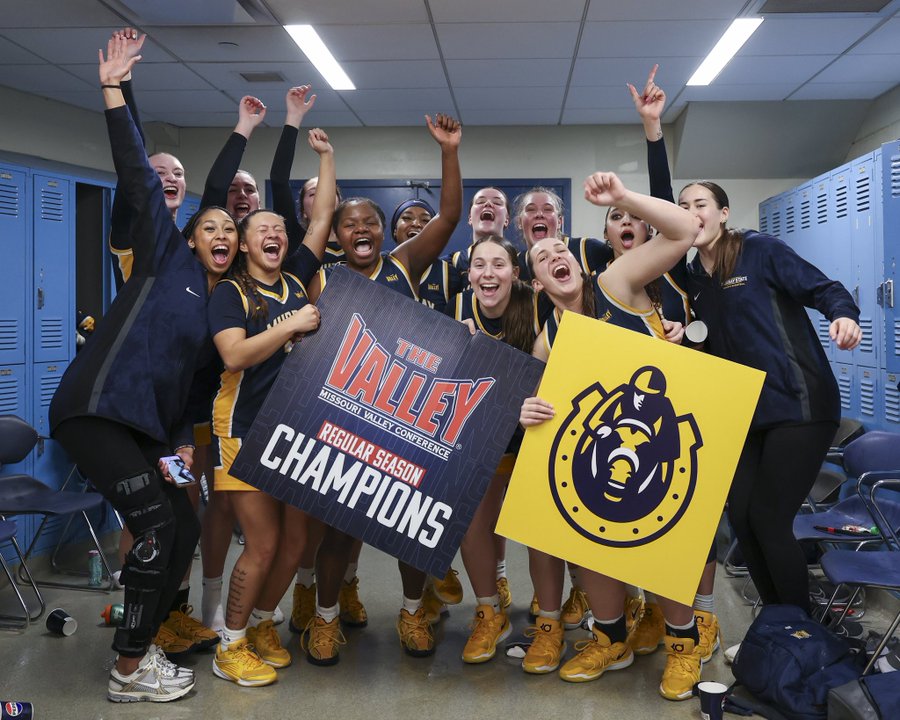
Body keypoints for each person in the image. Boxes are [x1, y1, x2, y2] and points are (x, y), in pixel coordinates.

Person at [49, 35, 238, 702]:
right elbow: (135, 172)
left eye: (230, 232)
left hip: (147, 431)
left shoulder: (219, 306)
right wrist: (114, 91)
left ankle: (148, 644)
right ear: (189, 235)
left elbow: (191, 390)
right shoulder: (162, 255)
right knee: (156, 527)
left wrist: (184, 444)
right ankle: (128, 669)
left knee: (182, 521)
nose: (220, 236)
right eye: (209, 227)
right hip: (96, 411)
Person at [520, 171, 706, 700]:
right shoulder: (546, 340)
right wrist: (526, 409)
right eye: (541, 256)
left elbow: (684, 232)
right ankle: (611, 636)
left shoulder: (614, 286)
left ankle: (683, 642)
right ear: (539, 282)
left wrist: (624, 199)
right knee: (591, 542)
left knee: (664, 541)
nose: (555, 257)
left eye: (563, 249)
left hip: (661, 441)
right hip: (604, 453)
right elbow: (539, 408)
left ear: (579, 262)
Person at [302, 112, 462, 665]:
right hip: (345, 417)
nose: (362, 228)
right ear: (337, 235)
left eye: (370, 220)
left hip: (406, 415)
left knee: (409, 528)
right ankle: (324, 620)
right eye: (350, 223)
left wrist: (448, 151)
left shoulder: (403, 263)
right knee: (339, 532)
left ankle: (414, 610)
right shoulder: (321, 276)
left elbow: (450, 215)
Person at [680, 179, 861, 616]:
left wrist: (843, 316)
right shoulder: (690, 278)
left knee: (769, 519)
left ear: (723, 212)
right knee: (742, 519)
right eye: (682, 206)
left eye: (700, 203)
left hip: (799, 404)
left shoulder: (759, 250)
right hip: (744, 414)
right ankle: (775, 622)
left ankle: (799, 631)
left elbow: (824, 288)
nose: (691, 212)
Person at [209, 125, 334, 687]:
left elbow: (324, 217)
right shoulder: (230, 293)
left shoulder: (296, 278)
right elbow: (234, 355)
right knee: (260, 545)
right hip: (243, 432)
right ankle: (229, 644)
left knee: (297, 541)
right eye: (263, 228)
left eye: (281, 230)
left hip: (297, 435)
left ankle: (263, 624)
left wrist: (327, 157)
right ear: (242, 242)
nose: (276, 235)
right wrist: (290, 326)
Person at [446, 235, 538, 663]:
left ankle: (556, 610)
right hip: (486, 435)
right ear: (469, 276)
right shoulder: (458, 313)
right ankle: (489, 611)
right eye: (479, 265)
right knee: (470, 521)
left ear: (515, 273)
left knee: (544, 529)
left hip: (537, 433)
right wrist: (458, 350)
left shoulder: (538, 307)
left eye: (498, 264)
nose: (488, 273)